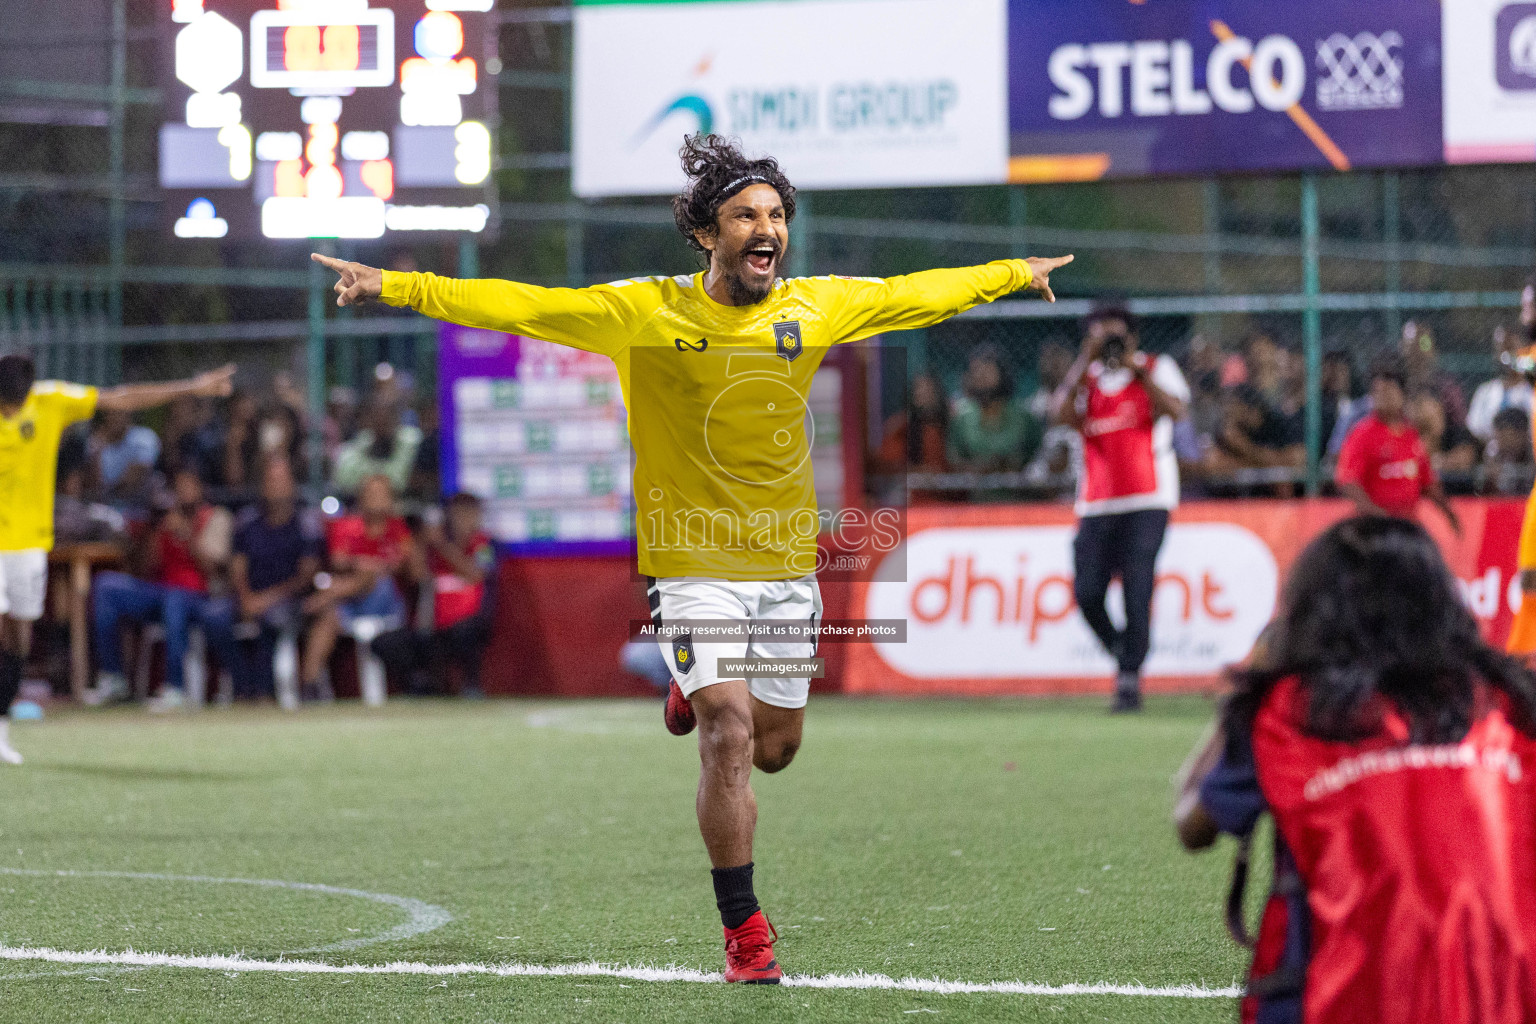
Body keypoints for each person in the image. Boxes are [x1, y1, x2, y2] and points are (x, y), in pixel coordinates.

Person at [312, 131, 1072, 983]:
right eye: (747, 213)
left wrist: (1014, 271)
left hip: (785, 569)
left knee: (778, 748)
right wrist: (394, 284)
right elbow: (517, 304)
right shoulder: (644, 312)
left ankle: (692, 686)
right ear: (708, 234)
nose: (767, 227)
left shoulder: (813, 306)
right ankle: (745, 930)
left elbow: (915, 294)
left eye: (778, 214)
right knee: (729, 732)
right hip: (693, 567)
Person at [1175, 515, 1536, 1024]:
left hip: (1334, 995)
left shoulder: (1290, 710)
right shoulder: (1507, 703)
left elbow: (1191, 824)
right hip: (1504, 996)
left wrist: (1244, 695)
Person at [0, 355, 233, 760]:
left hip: (29, 543)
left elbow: (122, 398)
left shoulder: (51, 400)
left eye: (15, 403)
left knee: (18, 635)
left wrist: (191, 388)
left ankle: (2, 723)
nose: (11, 410)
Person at [1054, 305, 1189, 713]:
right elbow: (1059, 416)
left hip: (1148, 498)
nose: (1110, 342)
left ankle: (1129, 677)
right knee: (1087, 590)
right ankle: (1121, 650)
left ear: (1132, 335)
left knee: (1137, 587)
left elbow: (1177, 411)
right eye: (1101, 334)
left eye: (1116, 334)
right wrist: (1084, 362)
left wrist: (1138, 369)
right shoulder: (1086, 379)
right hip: (1096, 501)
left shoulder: (1156, 367)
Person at [88, 469, 236, 712]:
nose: (183, 492)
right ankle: (113, 677)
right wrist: (154, 533)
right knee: (106, 585)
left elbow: (215, 571)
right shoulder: (165, 519)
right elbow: (146, 570)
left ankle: (175, 688)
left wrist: (186, 535)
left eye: (188, 485)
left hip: (199, 598)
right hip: (160, 593)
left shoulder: (215, 517)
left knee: (174, 599)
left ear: (200, 489)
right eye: (178, 487)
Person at [300, 474, 414, 701]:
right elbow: (338, 561)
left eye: (381, 493)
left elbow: (404, 566)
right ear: (361, 498)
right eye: (371, 493)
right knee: (328, 619)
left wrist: (365, 566)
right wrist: (370, 565)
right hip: (352, 601)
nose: (376, 499)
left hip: (386, 601)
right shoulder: (347, 526)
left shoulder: (398, 528)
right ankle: (309, 685)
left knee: (368, 576)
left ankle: (326, 596)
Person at [372, 493, 495, 698]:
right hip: (432, 628)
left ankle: (471, 686)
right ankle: (420, 686)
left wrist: (442, 546)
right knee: (386, 644)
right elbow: (418, 576)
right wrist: (421, 541)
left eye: (468, 515)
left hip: (465, 624)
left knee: (466, 633)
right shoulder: (431, 546)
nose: (462, 520)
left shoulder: (483, 545)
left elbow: (476, 573)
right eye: (457, 515)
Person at [229, 456, 322, 702]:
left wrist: (265, 600)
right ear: (262, 485)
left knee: (272, 618)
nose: (277, 486)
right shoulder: (247, 521)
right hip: (249, 598)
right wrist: (247, 598)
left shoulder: (306, 523)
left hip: (291, 601)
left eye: (282, 480)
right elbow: (237, 568)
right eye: (271, 480)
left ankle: (266, 692)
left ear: (293, 484)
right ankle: (241, 688)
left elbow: (306, 576)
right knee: (214, 617)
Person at [1334, 363, 1459, 532]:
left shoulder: (1411, 435)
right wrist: (1376, 514)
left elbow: (1427, 481)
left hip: (1407, 526)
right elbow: (1348, 482)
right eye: (1377, 392)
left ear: (1402, 395)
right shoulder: (1362, 434)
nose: (1382, 397)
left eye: (1388, 391)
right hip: (1375, 529)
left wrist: (1448, 512)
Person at [945, 344, 1042, 483]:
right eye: (976, 371)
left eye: (987, 370)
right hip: (976, 495)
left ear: (1001, 374)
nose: (981, 376)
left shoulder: (1024, 416)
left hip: (1019, 493)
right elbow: (954, 460)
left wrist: (1014, 466)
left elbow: (1038, 455)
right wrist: (979, 469)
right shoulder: (962, 418)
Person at [331, 399, 422, 497]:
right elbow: (343, 480)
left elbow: (403, 480)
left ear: (396, 420)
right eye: (376, 419)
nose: (381, 424)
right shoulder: (360, 443)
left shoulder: (411, 441)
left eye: (386, 419)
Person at [1466, 325, 1533, 444]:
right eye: (1501, 349)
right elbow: (1475, 433)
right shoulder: (1484, 392)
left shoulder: (1532, 392)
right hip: (1491, 459)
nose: (1505, 355)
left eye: (1511, 348)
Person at [88, 407, 160, 504]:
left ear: (129, 414)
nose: (115, 417)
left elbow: (130, 484)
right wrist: (97, 453)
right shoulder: (96, 441)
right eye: (111, 413)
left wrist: (107, 490)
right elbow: (93, 486)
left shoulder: (144, 438)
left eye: (119, 413)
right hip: (103, 506)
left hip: (140, 508)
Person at [1408, 390, 1479, 480]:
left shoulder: (1457, 431)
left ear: (1439, 408)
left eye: (1433, 416)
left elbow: (1464, 459)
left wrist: (1438, 462)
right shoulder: (1412, 435)